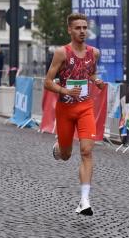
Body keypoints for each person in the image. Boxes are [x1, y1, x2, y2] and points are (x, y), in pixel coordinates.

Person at [44, 13, 104, 216]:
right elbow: (48, 82)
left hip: (85, 107)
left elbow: (91, 72)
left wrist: (96, 81)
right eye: (77, 28)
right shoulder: (62, 53)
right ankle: (59, 147)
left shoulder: (94, 53)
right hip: (65, 109)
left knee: (87, 150)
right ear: (69, 30)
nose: (82, 31)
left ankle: (84, 201)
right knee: (67, 154)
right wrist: (65, 91)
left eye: (85, 27)